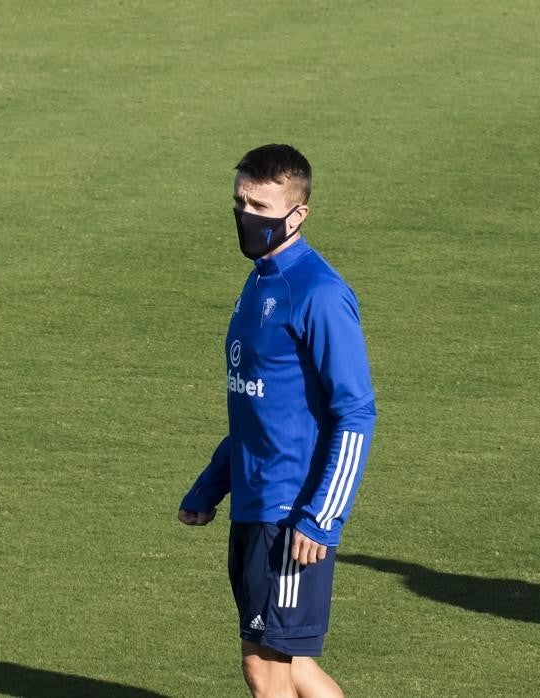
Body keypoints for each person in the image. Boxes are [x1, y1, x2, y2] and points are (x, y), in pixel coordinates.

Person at [178, 144, 376, 698]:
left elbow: (356, 412)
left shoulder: (320, 293)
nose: (247, 217)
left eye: (261, 206)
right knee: (290, 669)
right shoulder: (259, 284)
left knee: (267, 672)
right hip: (253, 503)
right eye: (241, 202)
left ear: (298, 213)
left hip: (292, 513)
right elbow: (255, 408)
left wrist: (322, 517)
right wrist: (211, 485)